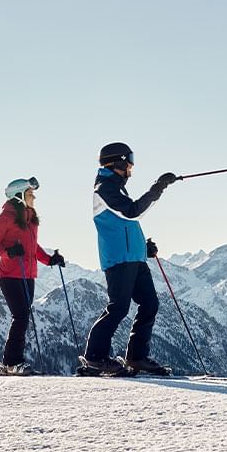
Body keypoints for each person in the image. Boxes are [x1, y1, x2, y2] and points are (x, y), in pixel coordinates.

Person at [79, 143, 177, 375]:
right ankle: (94, 358)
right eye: (129, 162)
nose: (132, 168)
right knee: (119, 307)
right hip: (119, 259)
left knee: (150, 304)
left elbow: (123, 224)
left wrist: (143, 248)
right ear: (119, 162)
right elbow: (132, 212)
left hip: (134, 258)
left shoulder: (116, 188)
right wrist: (158, 188)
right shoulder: (104, 188)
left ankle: (136, 357)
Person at [0, 177, 66, 375]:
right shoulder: (6, 217)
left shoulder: (29, 219)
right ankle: (11, 363)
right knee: (20, 316)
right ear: (19, 196)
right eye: (30, 194)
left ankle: (14, 362)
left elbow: (32, 247)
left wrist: (49, 260)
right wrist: (8, 252)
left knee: (23, 317)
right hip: (10, 275)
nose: (34, 197)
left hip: (28, 275)